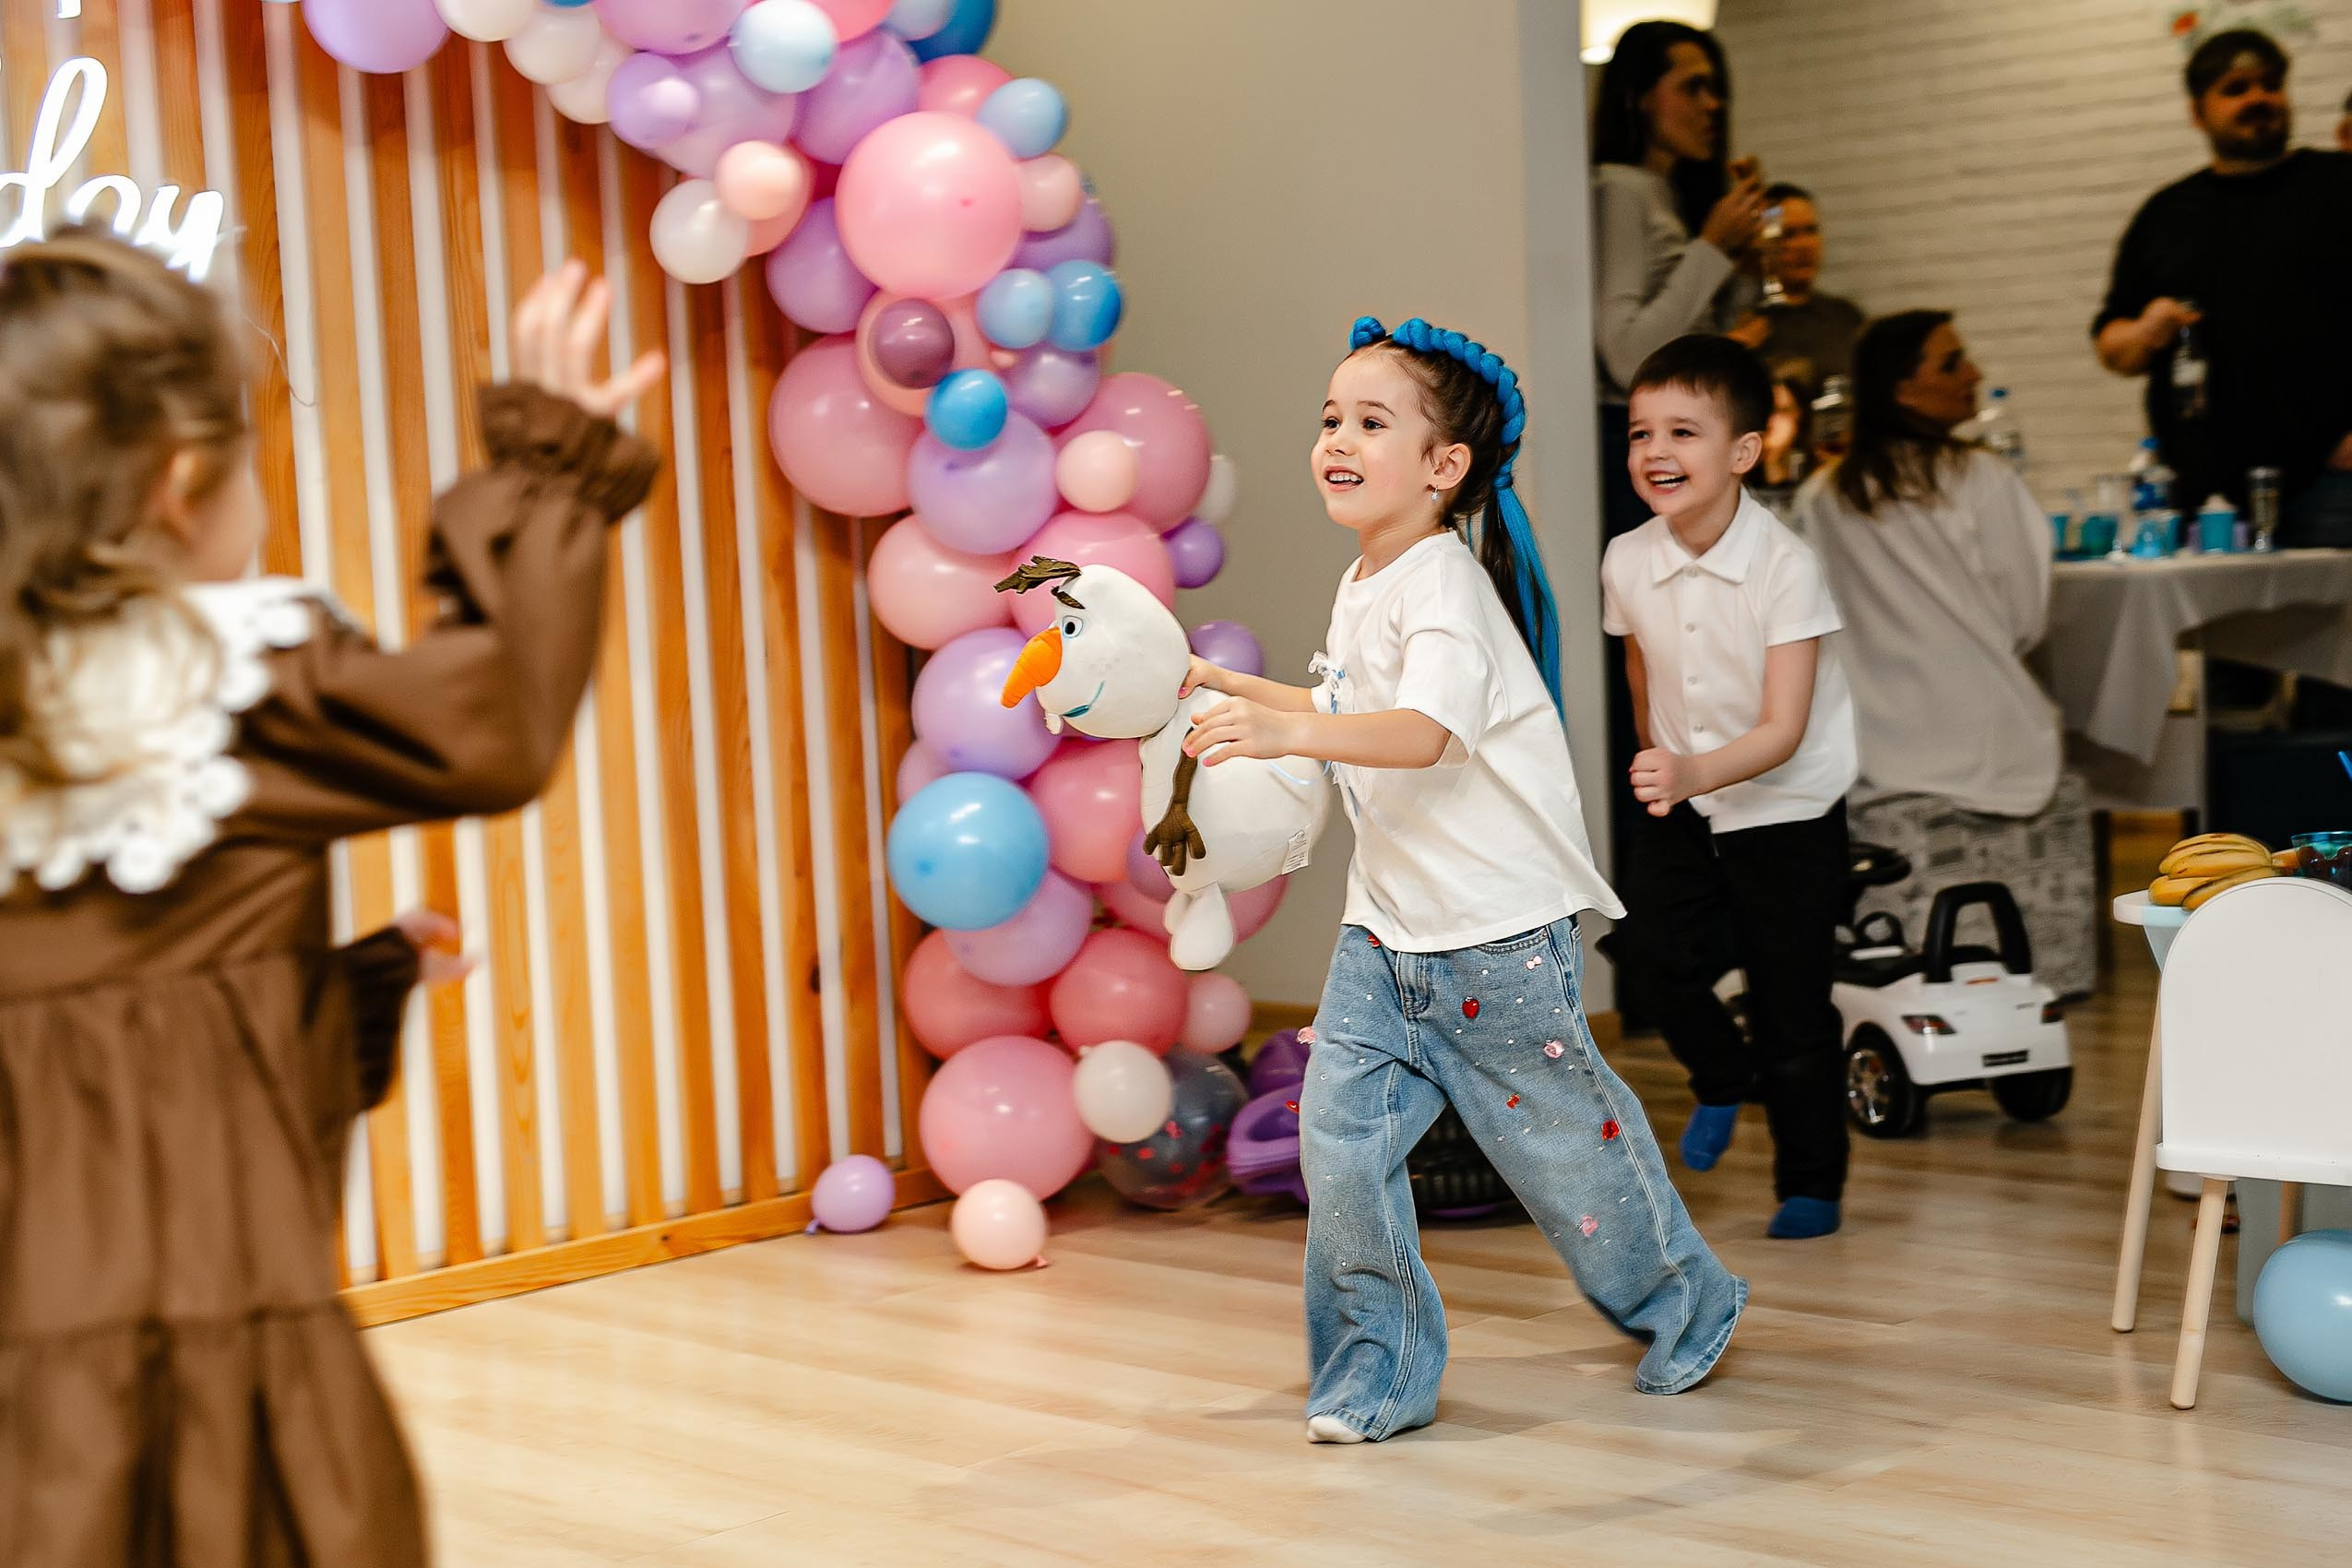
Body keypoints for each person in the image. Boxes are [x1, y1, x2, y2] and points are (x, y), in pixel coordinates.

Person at [0, 231, 663, 1562]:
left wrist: (352, 979)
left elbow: (98, 1026)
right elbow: (491, 721)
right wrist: (545, 462)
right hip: (197, 1321)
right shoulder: (218, 687)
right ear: (187, 482)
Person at [1179, 315, 1745, 1443]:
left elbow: (1424, 732)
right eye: (1331, 417)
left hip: (1494, 936)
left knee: (1566, 1151)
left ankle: (1688, 1297)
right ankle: (1375, 1371)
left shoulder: (1443, 587)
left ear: (1446, 469)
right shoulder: (1367, 580)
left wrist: (1282, 736)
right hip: (1386, 935)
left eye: (1371, 421)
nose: (1337, 436)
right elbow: (1347, 712)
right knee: (1340, 1153)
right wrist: (1215, 679)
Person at [1600, 335, 1858, 1240]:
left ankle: (1811, 1180)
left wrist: (1693, 767)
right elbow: (1642, 664)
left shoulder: (1787, 567)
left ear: (1743, 452)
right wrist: (1655, 759)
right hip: (1686, 795)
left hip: (1787, 807)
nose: (1655, 452)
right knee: (1646, 959)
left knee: (1791, 1004)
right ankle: (1721, 1074)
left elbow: (1784, 729)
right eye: (1640, 433)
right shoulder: (1627, 558)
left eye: (1683, 431)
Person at [1795, 311, 2099, 1000]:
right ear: (1903, 389)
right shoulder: (1980, 478)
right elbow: (2027, 616)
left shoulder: (1822, 497)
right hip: (1986, 731)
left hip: (1873, 742)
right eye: (1952, 363)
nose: (1975, 376)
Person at [1588, 18, 1766, 969]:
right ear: (1638, 95)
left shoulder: (1658, 195)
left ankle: (1698, 933)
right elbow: (1623, 351)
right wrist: (1709, 247)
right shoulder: (1620, 191)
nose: (1708, 105)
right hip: (1656, 483)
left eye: (1713, 88)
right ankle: (1667, 943)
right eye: (1689, 86)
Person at [2093, 28, 2352, 545]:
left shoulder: (2340, 184)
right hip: (2204, 495)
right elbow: (2112, 347)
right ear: (2197, 112)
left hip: (2333, 484)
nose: (2258, 98)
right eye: (2235, 89)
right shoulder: (2165, 215)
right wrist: (2146, 331)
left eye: (2270, 85)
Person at [1750, 183, 1867, 419]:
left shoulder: (1845, 318)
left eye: (1811, 230)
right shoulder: (1745, 321)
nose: (1804, 246)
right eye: (1789, 234)